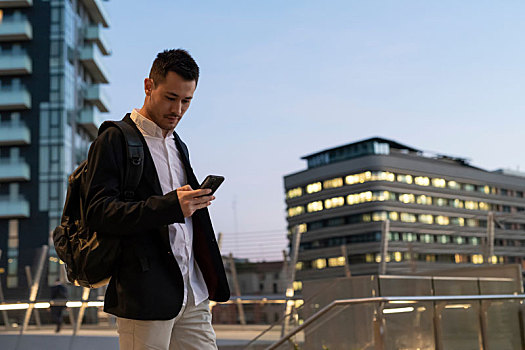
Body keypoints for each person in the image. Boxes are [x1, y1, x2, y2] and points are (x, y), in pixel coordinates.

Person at [83, 49, 230, 349]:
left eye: (186, 101)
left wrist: (192, 203)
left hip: (193, 293)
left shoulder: (179, 145)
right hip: (145, 295)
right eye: (170, 97)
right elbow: (98, 212)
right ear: (149, 86)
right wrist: (171, 206)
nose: (178, 109)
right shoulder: (114, 139)